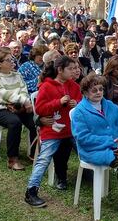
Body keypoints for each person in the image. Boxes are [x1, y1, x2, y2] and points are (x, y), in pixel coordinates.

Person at [72, 74, 118, 220]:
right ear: (85, 92)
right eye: (94, 90)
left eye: (101, 89)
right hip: (94, 150)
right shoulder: (79, 111)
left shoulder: (110, 105)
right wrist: (112, 141)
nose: (99, 92)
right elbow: (83, 138)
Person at [25, 55, 82, 208]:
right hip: (52, 131)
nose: (74, 72)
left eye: (75, 68)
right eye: (70, 69)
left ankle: (96, 174)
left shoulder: (74, 86)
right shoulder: (46, 86)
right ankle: (31, 191)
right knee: (44, 159)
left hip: (71, 130)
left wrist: (76, 103)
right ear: (60, 70)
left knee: (85, 150)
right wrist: (59, 102)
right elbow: (40, 109)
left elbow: (82, 105)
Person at [0, 49, 37, 170]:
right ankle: (13, 159)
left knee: (35, 120)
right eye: (8, 60)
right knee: (15, 122)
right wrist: (22, 101)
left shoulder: (17, 75)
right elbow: (0, 94)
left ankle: (34, 153)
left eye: (12, 59)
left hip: (17, 106)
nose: (12, 62)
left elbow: (23, 90)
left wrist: (22, 102)